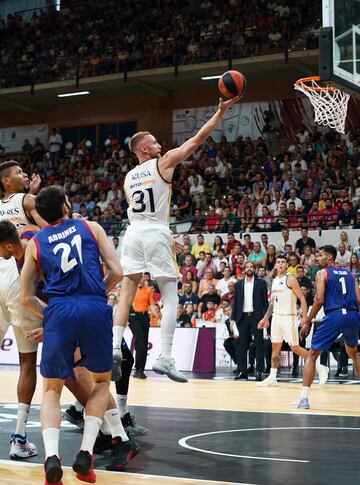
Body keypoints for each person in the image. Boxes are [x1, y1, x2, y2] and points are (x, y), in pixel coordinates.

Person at [112, 94, 240, 383]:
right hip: (156, 230)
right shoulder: (164, 162)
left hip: (131, 233)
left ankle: (113, 346)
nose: (161, 145)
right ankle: (166, 357)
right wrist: (219, 113)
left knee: (125, 296)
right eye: (155, 142)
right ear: (144, 148)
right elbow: (195, 141)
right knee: (171, 297)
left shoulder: (129, 176)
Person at [20, 186, 139, 483]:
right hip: (94, 306)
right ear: (64, 206)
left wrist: (53, 315)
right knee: (100, 382)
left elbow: (26, 297)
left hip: (58, 310)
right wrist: (96, 293)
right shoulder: (91, 227)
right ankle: (86, 453)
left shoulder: (36, 242)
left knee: (51, 389)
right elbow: (116, 271)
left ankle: (51, 457)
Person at [0, 160, 45, 459]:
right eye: (18, 173)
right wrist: (36, 199)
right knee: (27, 363)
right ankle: (19, 439)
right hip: (19, 279)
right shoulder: (27, 200)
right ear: (5, 181)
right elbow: (53, 229)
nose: (25, 175)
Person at [297, 245, 360, 409]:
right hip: (353, 315)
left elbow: (319, 300)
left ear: (330, 258)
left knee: (312, 355)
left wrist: (307, 321)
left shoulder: (322, 273)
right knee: (353, 354)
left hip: (335, 315)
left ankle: (303, 399)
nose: (317, 258)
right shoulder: (350, 275)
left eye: (321, 255)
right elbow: (359, 301)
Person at [257, 255, 329, 387]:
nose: (280, 264)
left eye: (283, 262)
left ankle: (320, 367)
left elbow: (302, 298)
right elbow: (272, 303)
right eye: (278, 262)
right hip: (276, 317)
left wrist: (304, 317)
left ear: (286, 265)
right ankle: (272, 376)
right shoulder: (274, 280)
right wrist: (265, 318)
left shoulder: (290, 279)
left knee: (295, 348)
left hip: (288, 317)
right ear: (275, 265)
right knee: (275, 347)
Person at [231, 261, 268, 381]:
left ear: (254, 269)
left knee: (259, 346)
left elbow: (265, 303)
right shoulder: (238, 284)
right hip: (242, 317)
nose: (249, 268)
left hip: (257, 318)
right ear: (244, 269)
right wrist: (232, 319)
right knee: (242, 347)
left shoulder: (261, 283)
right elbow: (235, 302)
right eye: (247, 267)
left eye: (251, 266)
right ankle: (243, 371)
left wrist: (266, 318)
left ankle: (259, 372)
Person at [129, 277, 161, 379]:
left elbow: (152, 306)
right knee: (141, 341)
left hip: (144, 317)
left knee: (143, 343)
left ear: (144, 279)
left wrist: (158, 318)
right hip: (134, 316)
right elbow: (126, 303)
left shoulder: (148, 290)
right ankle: (137, 368)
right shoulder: (131, 288)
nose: (139, 281)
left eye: (141, 279)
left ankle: (140, 370)